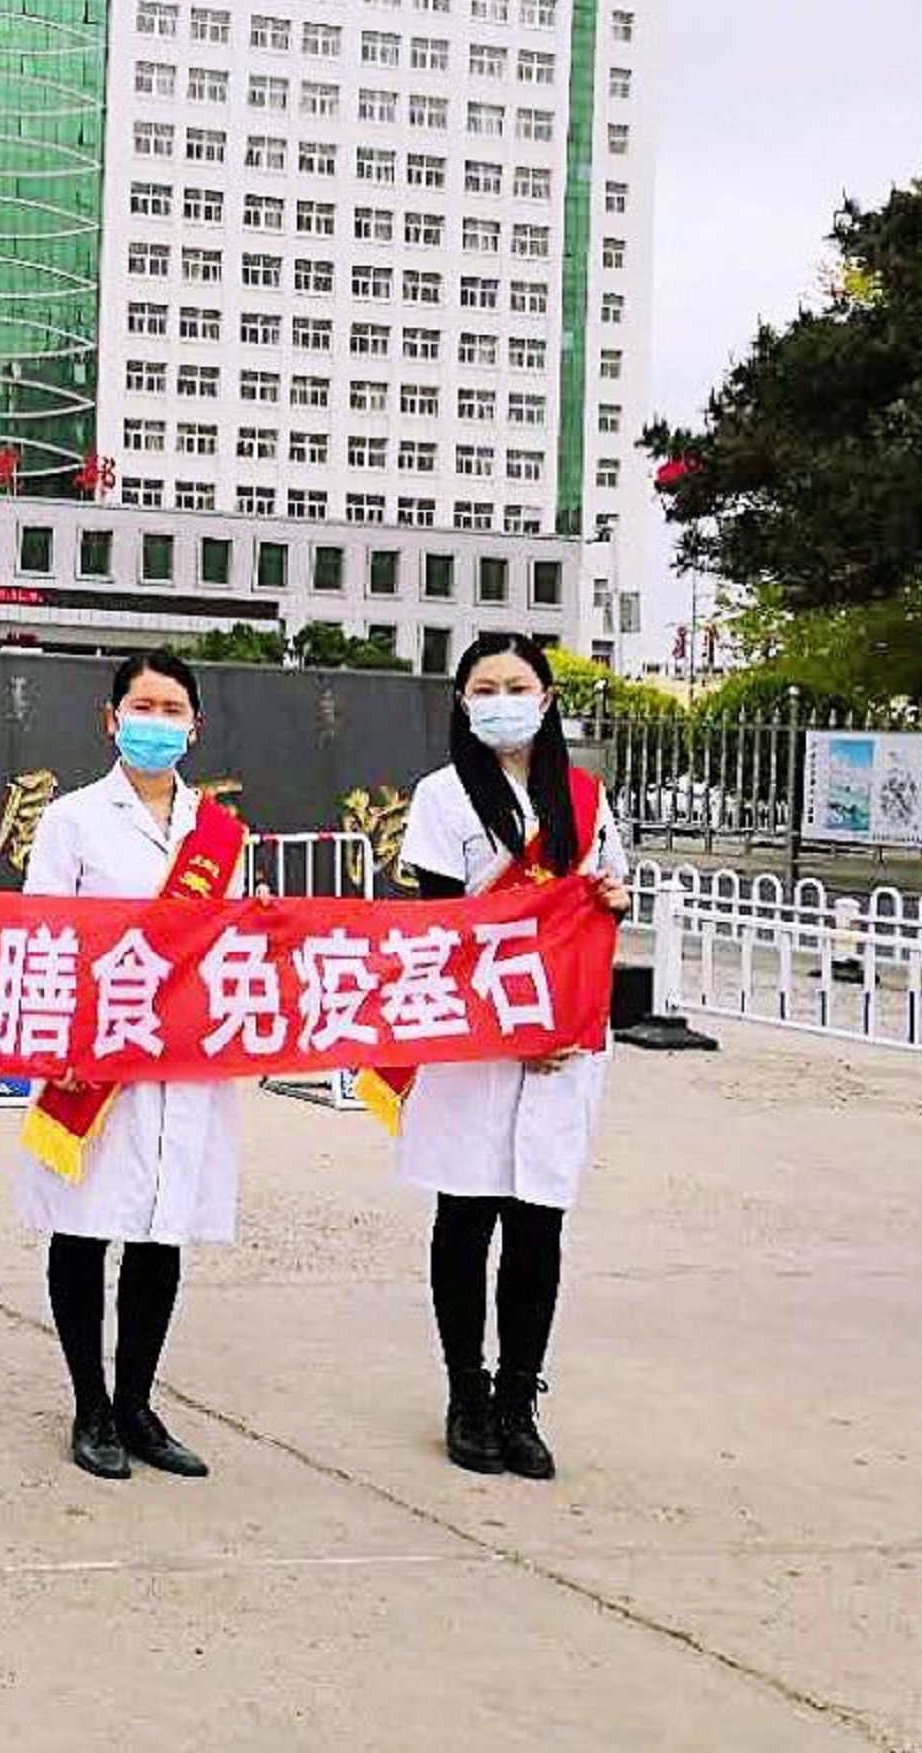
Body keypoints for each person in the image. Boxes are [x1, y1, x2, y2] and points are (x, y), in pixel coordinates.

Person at [387, 631, 632, 1482]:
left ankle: (519, 1399)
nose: (501, 701)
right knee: (466, 1217)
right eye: (484, 688)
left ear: (548, 698)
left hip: (563, 1043)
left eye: (516, 686)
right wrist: (509, 1027)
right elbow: (443, 930)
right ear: (462, 702)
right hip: (477, 1041)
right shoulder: (442, 795)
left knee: (538, 1223)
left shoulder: (585, 798)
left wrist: (615, 899)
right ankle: (467, 1392)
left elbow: (601, 908)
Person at [13, 650, 247, 1484]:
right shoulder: (74, 818)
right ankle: (91, 1404)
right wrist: (61, 1038)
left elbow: (231, 943)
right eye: (141, 707)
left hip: (183, 1057)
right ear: (111, 720)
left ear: (196, 727)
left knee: (160, 1228)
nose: (156, 722)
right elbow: (44, 934)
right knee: (82, 1226)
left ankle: (138, 1402)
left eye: (172, 708)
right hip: (95, 1052)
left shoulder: (221, 836)